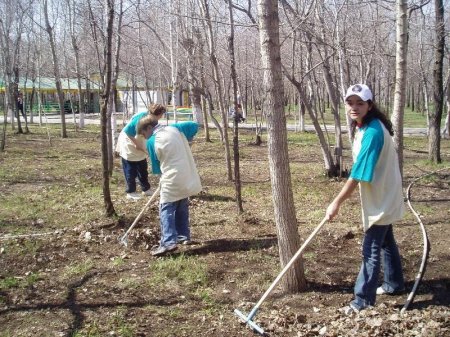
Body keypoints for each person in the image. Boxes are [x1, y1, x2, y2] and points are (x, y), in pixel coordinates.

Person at [326, 84, 405, 313]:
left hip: (382, 197)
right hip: (383, 194)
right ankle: (394, 283)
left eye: (360, 103)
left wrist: (336, 203)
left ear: (370, 105)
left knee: (370, 248)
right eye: (350, 102)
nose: (354, 107)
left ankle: (362, 302)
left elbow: (359, 174)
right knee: (386, 242)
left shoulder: (372, 132)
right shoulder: (364, 126)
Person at [137, 117, 202, 256]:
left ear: (149, 128)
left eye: (143, 134)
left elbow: (156, 169)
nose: (144, 137)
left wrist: (163, 180)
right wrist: (188, 140)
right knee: (181, 203)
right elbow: (194, 125)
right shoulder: (175, 129)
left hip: (172, 177)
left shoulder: (152, 141)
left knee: (166, 207)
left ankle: (168, 242)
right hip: (187, 173)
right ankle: (183, 235)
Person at [116, 104, 166, 200]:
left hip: (140, 140)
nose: (162, 116)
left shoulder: (154, 120)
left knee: (142, 168)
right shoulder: (142, 117)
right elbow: (127, 131)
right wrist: (136, 144)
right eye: (162, 114)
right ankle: (131, 191)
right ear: (158, 113)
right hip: (129, 142)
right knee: (130, 170)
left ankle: (146, 189)